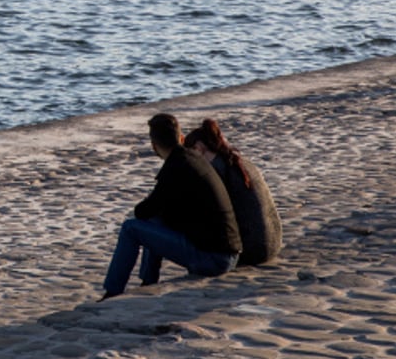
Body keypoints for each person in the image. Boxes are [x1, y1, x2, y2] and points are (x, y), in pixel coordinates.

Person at [101, 113, 242, 299]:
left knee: (131, 228)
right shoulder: (193, 158)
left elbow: (143, 210)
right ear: (181, 137)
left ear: (154, 146)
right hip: (229, 254)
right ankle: (148, 282)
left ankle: (113, 291)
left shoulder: (176, 167)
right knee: (154, 220)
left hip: (213, 260)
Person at [185, 118, 282, 266]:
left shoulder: (216, 170)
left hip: (251, 250)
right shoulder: (239, 161)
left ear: (198, 148)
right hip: (273, 244)